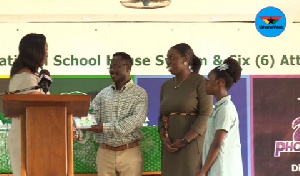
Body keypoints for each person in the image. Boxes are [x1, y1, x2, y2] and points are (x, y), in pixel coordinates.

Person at [88, 52, 148, 176]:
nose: (112, 70)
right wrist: (79, 129)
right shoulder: (103, 94)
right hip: (105, 154)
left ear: (128, 68)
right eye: (110, 67)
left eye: (116, 67)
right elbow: (92, 116)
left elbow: (131, 123)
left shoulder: (140, 94)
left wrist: (103, 128)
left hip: (130, 153)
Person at [159, 43, 213, 176]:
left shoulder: (200, 82)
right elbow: (162, 116)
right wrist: (164, 137)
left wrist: (185, 140)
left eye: (172, 58)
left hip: (192, 145)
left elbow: (206, 114)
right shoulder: (166, 86)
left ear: (185, 60)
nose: (168, 62)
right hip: (170, 147)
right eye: (167, 58)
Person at [7, 33, 48, 176]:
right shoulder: (26, 79)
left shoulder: (29, 77)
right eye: (46, 49)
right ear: (36, 52)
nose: (47, 54)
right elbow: (39, 110)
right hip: (27, 139)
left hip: (30, 138)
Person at [196, 57, 243, 176]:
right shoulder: (219, 108)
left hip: (223, 170)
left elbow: (217, 144)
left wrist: (203, 171)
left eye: (209, 79)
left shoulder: (226, 109)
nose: (206, 83)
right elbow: (209, 141)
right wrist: (199, 167)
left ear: (220, 82)